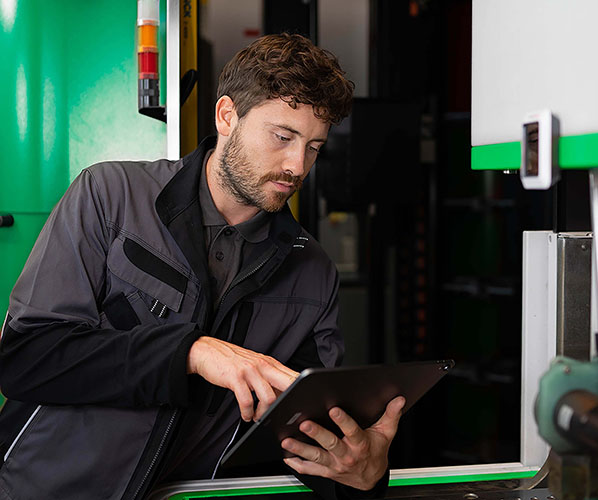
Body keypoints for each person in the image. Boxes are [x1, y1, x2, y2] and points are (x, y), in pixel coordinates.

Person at [0, 33, 404, 499]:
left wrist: (363, 475)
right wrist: (190, 353)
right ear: (227, 116)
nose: (297, 166)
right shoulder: (109, 196)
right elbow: (26, 358)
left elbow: (303, 435)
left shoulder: (312, 272)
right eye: (283, 137)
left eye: (313, 147)